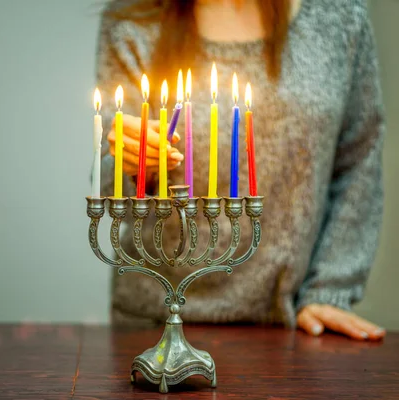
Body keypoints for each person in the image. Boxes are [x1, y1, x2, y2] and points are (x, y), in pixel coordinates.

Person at [95, 0, 386, 340]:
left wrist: (330, 287)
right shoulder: (132, 19)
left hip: (290, 329)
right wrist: (132, 165)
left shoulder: (340, 16)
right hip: (153, 327)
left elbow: (359, 155)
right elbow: (109, 173)